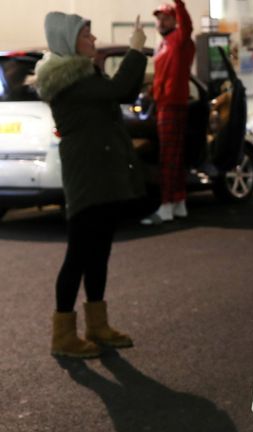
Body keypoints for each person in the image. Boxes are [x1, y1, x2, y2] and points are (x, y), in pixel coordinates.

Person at [35, 12, 147, 358]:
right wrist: (136, 51)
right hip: (87, 178)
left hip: (101, 175)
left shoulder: (83, 75)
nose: (94, 40)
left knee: (98, 252)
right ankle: (63, 334)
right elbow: (122, 90)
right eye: (87, 35)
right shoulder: (70, 80)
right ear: (70, 42)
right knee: (80, 254)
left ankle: (97, 325)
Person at [141, 0, 195, 225]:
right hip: (168, 103)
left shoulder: (180, 39)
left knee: (167, 158)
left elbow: (187, 25)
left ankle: (165, 206)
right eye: (159, 18)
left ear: (175, 19)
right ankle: (178, 202)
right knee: (175, 157)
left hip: (171, 104)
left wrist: (179, 3)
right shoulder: (166, 43)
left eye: (166, 17)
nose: (161, 21)